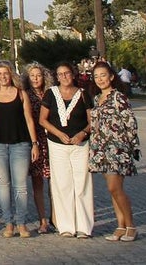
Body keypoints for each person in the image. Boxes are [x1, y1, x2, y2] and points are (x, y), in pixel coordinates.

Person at [0, 61, 38, 238]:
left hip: (20, 144)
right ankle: (8, 222)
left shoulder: (21, 94)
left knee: (20, 185)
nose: (3, 77)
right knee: (3, 185)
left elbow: (29, 119)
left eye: (6, 73)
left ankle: (21, 222)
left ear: (11, 74)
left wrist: (34, 143)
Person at [39, 61, 94, 238]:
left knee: (82, 183)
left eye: (67, 73)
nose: (64, 77)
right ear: (57, 77)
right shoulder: (51, 93)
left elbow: (92, 120)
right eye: (60, 74)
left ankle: (84, 226)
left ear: (73, 74)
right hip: (57, 144)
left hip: (80, 145)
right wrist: (59, 134)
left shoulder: (83, 94)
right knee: (62, 184)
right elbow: (43, 120)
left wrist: (82, 133)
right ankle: (66, 226)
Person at [88, 61, 139, 242]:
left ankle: (131, 226)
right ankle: (120, 226)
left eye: (103, 75)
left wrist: (132, 147)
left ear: (111, 77)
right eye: (96, 76)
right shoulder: (96, 99)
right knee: (113, 190)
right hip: (101, 150)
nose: (100, 79)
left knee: (114, 187)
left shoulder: (119, 97)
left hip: (117, 149)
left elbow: (130, 123)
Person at [21, 62, 52, 234]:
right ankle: (43, 220)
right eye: (32, 75)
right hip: (35, 142)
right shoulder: (25, 95)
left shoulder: (51, 94)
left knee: (54, 184)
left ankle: (56, 217)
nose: (35, 78)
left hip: (51, 140)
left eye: (38, 75)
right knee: (37, 183)